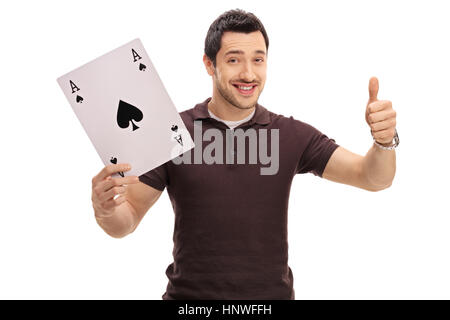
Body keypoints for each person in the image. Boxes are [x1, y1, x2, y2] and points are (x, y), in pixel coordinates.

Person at [91, 9, 398, 300]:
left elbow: (372, 177)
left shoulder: (290, 135)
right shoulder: (174, 133)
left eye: (258, 60)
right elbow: (127, 219)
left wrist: (384, 142)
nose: (249, 73)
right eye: (234, 60)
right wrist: (106, 211)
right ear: (210, 65)